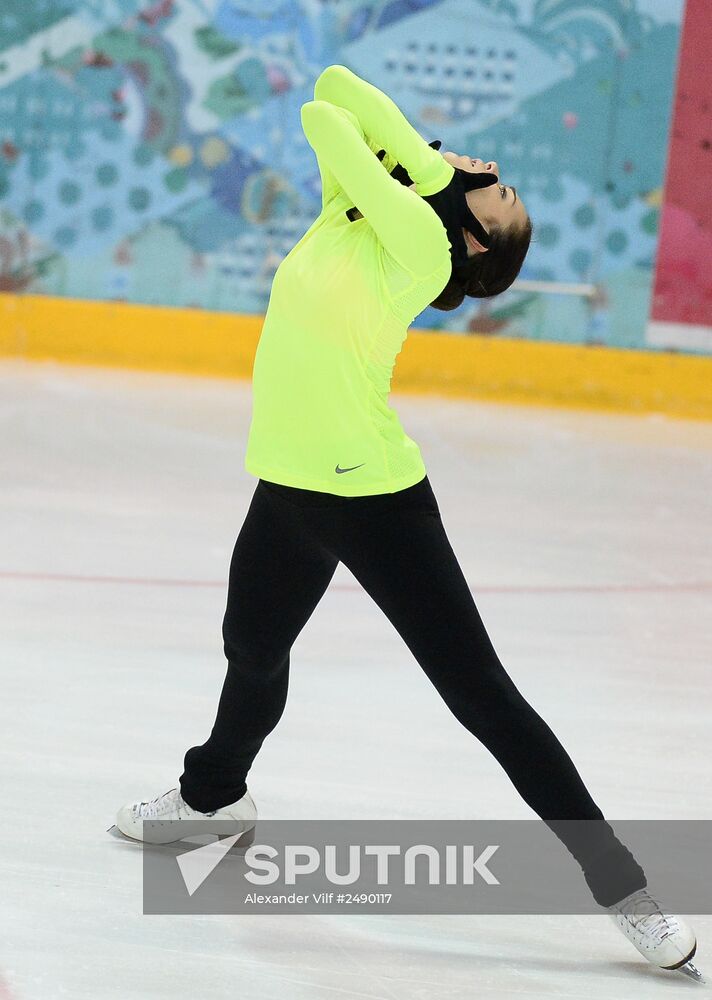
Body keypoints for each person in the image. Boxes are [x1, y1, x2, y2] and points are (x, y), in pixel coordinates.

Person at [114, 64, 701, 981]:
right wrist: (432, 169)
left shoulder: (420, 253)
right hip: (288, 484)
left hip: (373, 499)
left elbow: (326, 125)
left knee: (482, 697)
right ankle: (213, 796)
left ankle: (625, 889)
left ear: (471, 241)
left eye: (496, 190)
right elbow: (335, 84)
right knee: (252, 649)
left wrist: (430, 172)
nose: (487, 165)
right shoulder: (356, 213)